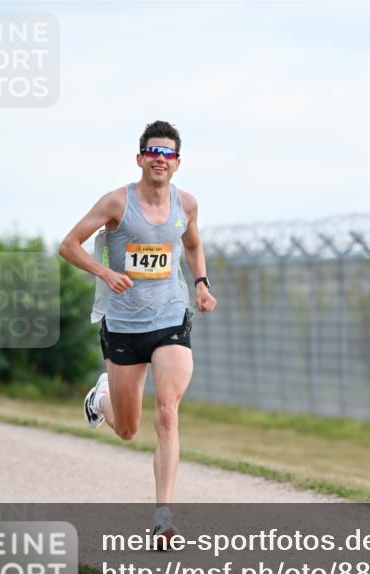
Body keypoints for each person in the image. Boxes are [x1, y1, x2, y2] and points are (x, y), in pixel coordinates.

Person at [58, 120, 216, 541]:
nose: (160, 159)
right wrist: (105, 272)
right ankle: (102, 396)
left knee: (167, 410)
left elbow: (192, 244)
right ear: (140, 158)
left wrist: (201, 283)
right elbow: (68, 245)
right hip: (124, 327)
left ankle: (163, 518)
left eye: (168, 154)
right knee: (128, 430)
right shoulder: (116, 202)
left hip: (170, 319)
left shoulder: (187, 205)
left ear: (177, 162)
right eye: (153, 152)